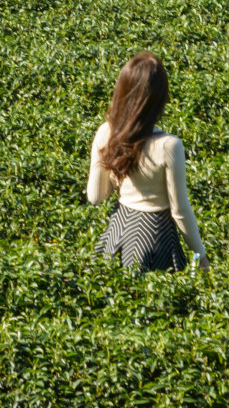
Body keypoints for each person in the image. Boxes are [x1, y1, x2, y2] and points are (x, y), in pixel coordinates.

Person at [87, 51, 209, 273]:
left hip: (118, 232)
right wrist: (200, 254)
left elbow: (95, 197)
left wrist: (111, 160)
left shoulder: (106, 132)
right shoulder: (169, 146)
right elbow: (180, 210)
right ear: (160, 99)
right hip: (155, 236)